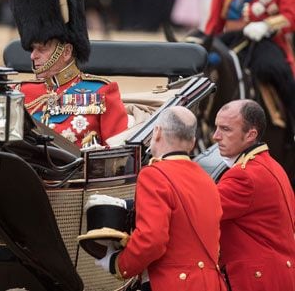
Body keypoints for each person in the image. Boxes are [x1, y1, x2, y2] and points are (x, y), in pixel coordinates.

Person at [92, 106, 227, 291]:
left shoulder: (154, 174)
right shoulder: (207, 180)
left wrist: (118, 263)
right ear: (193, 142)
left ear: (157, 132)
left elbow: (151, 241)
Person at [3, 0, 128, 148]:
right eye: (32, 48)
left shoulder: (101, 93)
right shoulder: (20, 92)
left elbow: (117, 152)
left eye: (42, 48)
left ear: (66, 51)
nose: (32, 56)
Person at [212, 99, 295, 290]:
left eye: (225, 129)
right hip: (277, 275)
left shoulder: (244, 175)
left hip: (255, 280)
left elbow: (199, 209)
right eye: (216, 127)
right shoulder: (272, 165)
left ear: (251, 135)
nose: (215, 136)